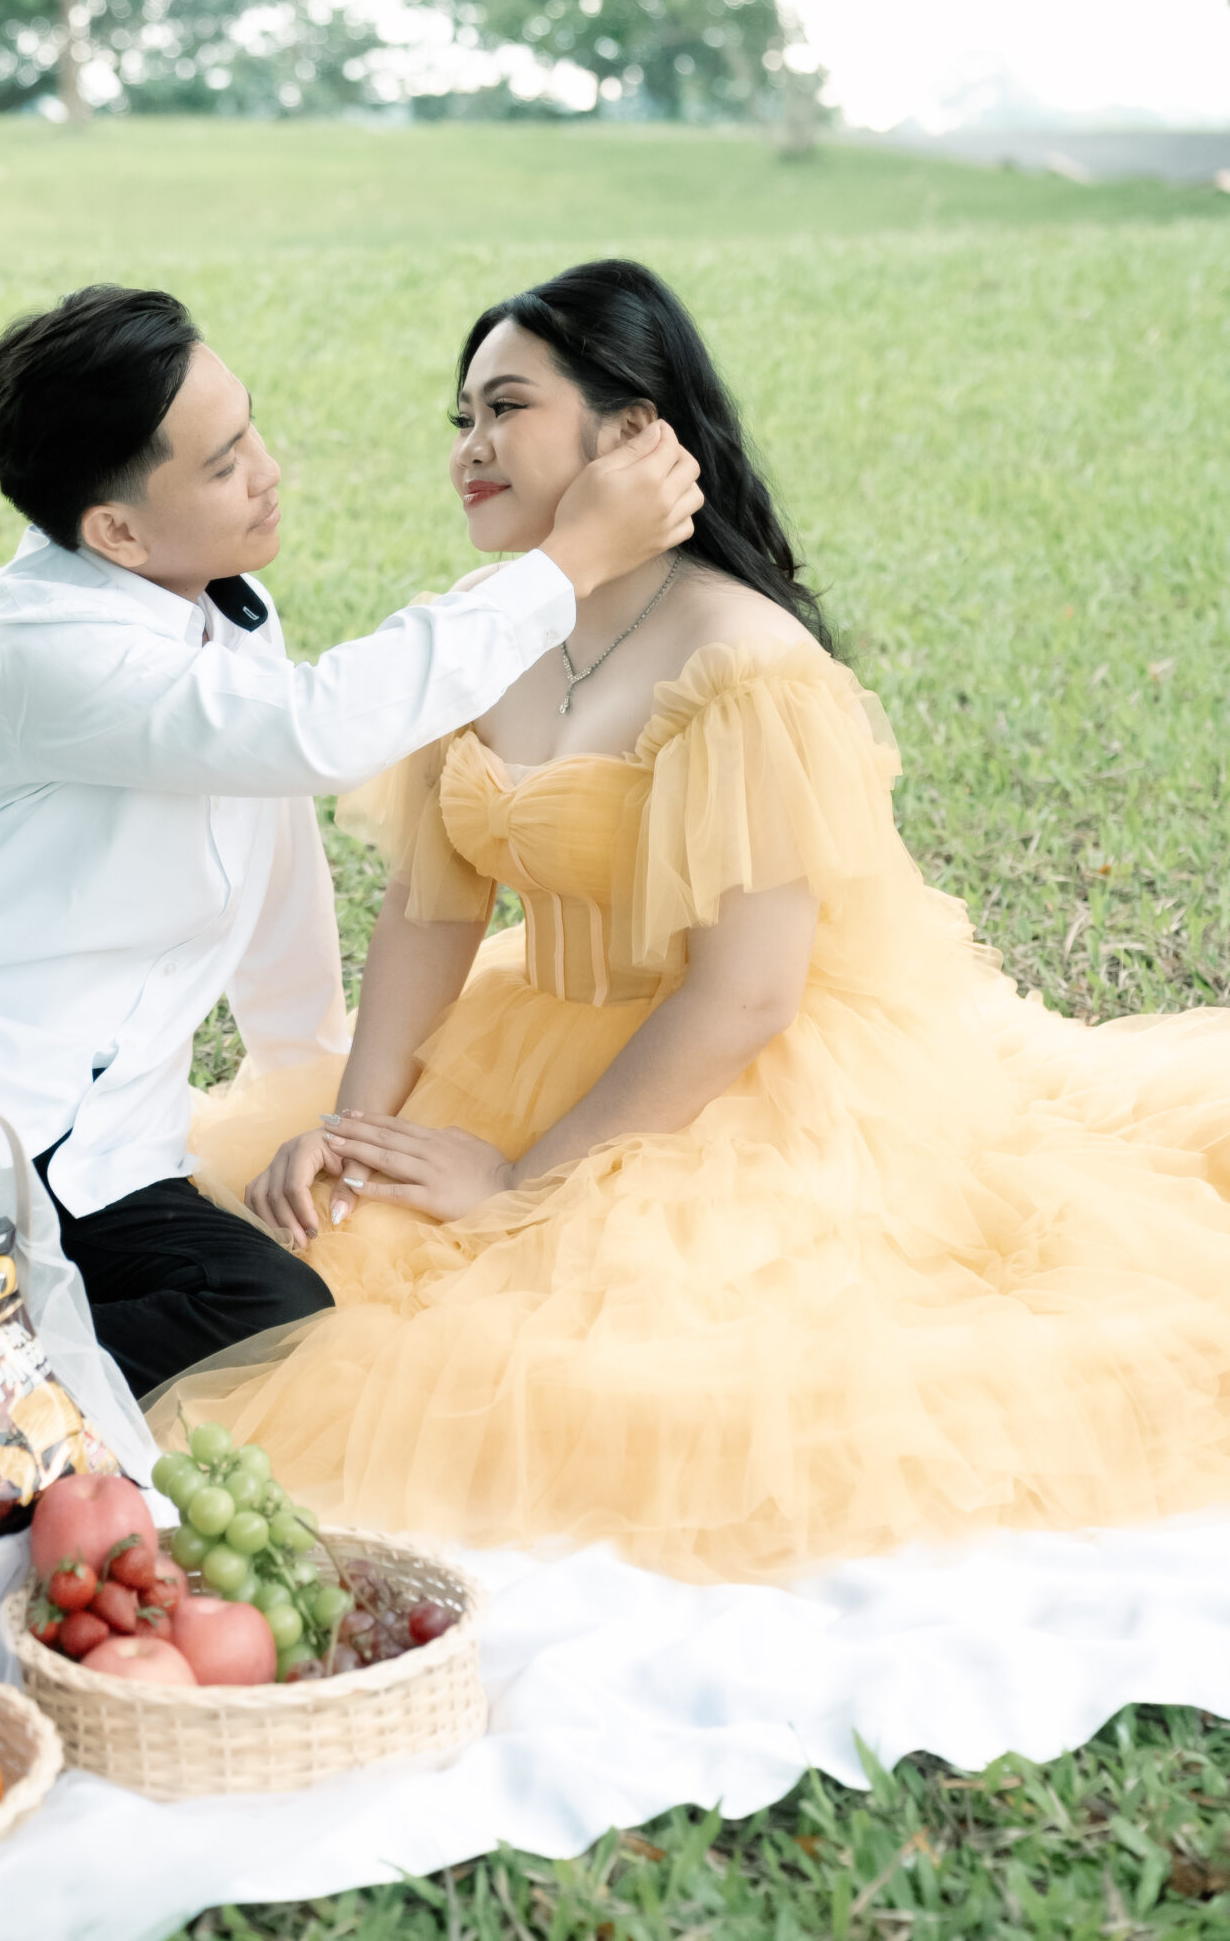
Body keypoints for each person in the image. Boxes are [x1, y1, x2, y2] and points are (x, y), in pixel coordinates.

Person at [158, 257, 1230, 1583]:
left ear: (631, 434)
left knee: (620, 1373)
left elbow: (744, 995)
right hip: (528, 1030)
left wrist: (526, 1178)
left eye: (507, 409)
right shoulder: (485, 632)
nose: (469, 447)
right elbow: (431, 915)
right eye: (462, 417)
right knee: (310, 1257)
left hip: (733, 1079)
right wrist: (354, 1127)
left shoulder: (744, 662)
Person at [0, 283, 702, 1398]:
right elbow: (312, 734)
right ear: (114, 531)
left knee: (275, 1308)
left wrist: (319, 1098)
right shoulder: (28, 640)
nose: (267, 469)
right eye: (222, 463)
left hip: (101, 1165)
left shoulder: (228, 608)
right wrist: (566, 564)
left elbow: (278, 863)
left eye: (250, 428)